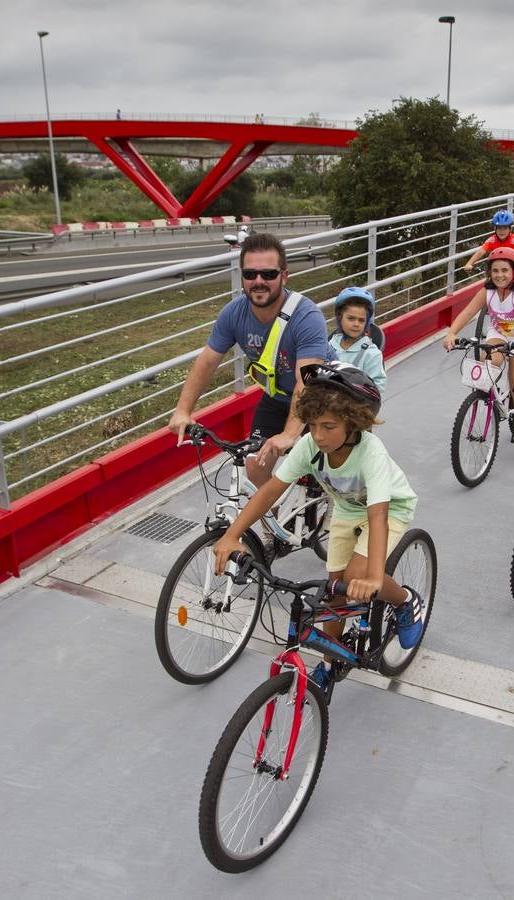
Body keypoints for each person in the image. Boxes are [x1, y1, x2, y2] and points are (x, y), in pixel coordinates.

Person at [211, 362, 425, 695]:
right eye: (312, 426)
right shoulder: (311, 446)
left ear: (354, 422)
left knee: (358, 576)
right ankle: (328, 664)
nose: (319, 435)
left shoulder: (371, 452)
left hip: (389, 508)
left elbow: (379, 514)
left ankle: (404, 601)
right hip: (346, 508)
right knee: (334, 591)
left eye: (329, 426)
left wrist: (372, 576)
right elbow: (271, 490)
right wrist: (231, 534)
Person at [169, 232, 332, 487]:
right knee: (255, 465)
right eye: (250, 274)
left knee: (337, 472)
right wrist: (183, 411)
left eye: (268, 274)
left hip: (320, 397)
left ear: (284, 275)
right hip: (277, 397)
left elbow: (308, 380)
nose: (258, 281)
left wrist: (289, 435)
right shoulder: (234, 314)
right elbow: (208, 361)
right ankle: (273, 525)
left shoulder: (306, 316)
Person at [441, 246, 514, 444]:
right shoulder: (487, 292)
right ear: (489, 273)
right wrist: (452, 333)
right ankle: (491, 396)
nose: (499, 275)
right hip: (499, 334)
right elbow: (468, 313)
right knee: (486, 364)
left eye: (504, 270)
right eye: (495, 271)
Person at [328, 286, 387, 389]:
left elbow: (378, 387)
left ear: (367, 323)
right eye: (351, 318)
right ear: (339, 318)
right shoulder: (328, 346)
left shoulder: (371, 354)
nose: (356, 324)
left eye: (361, 320)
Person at [464, 210, 514, 276]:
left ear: (510, 229)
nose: (502, 231)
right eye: (499, 228)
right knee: (488, 285)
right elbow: (480, 252)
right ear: (495, 229)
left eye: (505, 228)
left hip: (511, 269)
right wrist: (469, 263)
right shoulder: (492, 240)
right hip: (496, 269)